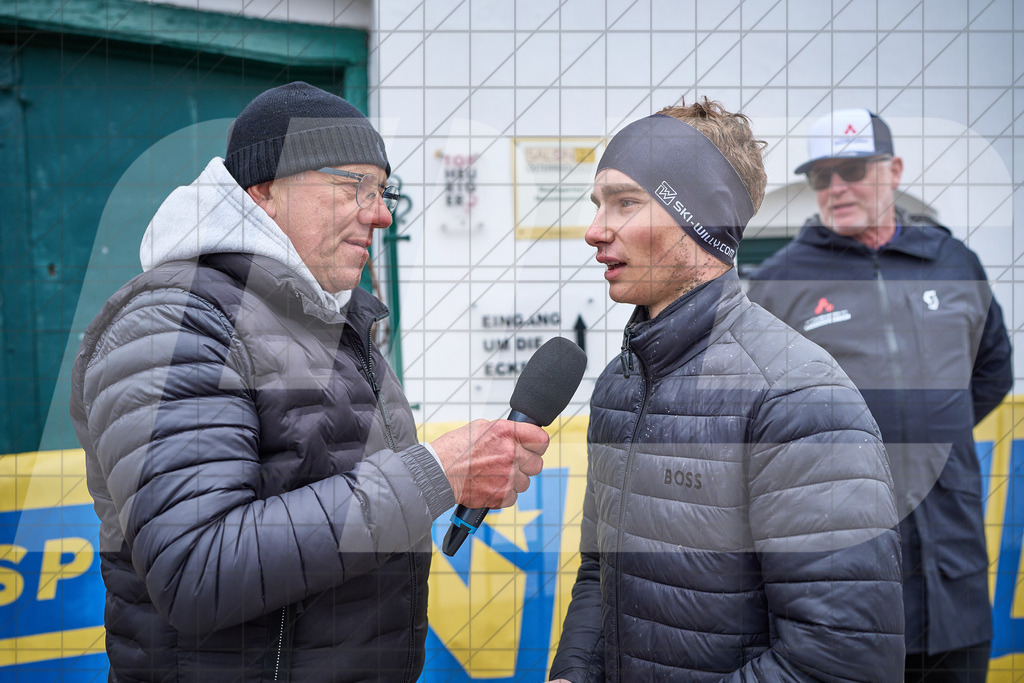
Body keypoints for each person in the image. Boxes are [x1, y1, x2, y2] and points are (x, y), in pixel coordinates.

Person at [69, 82, 549, 681]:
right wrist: (433, 474)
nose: (381, 213)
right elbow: (197, 569)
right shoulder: (172, 321)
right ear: (265, 192)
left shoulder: (336, 319)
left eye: (383, 191)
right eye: (353, 187)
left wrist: (452, 473)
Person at [548, 98, 904, 682]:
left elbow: (842, 664)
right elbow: (601, 572)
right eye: (597, 205)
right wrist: (571, 674)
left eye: (626, 202)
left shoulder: (800, 400)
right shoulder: (619, 384)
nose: (594, 231)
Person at [748, 108, 1013, 681]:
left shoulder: (953, 262)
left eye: (853, 170)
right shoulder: (778, 281)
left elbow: (991, 372)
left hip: (953, 569)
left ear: (893, 170)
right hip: (840, 582)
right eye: (823, 176)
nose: (837, 187)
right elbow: (749, 416)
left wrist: (928, 434)